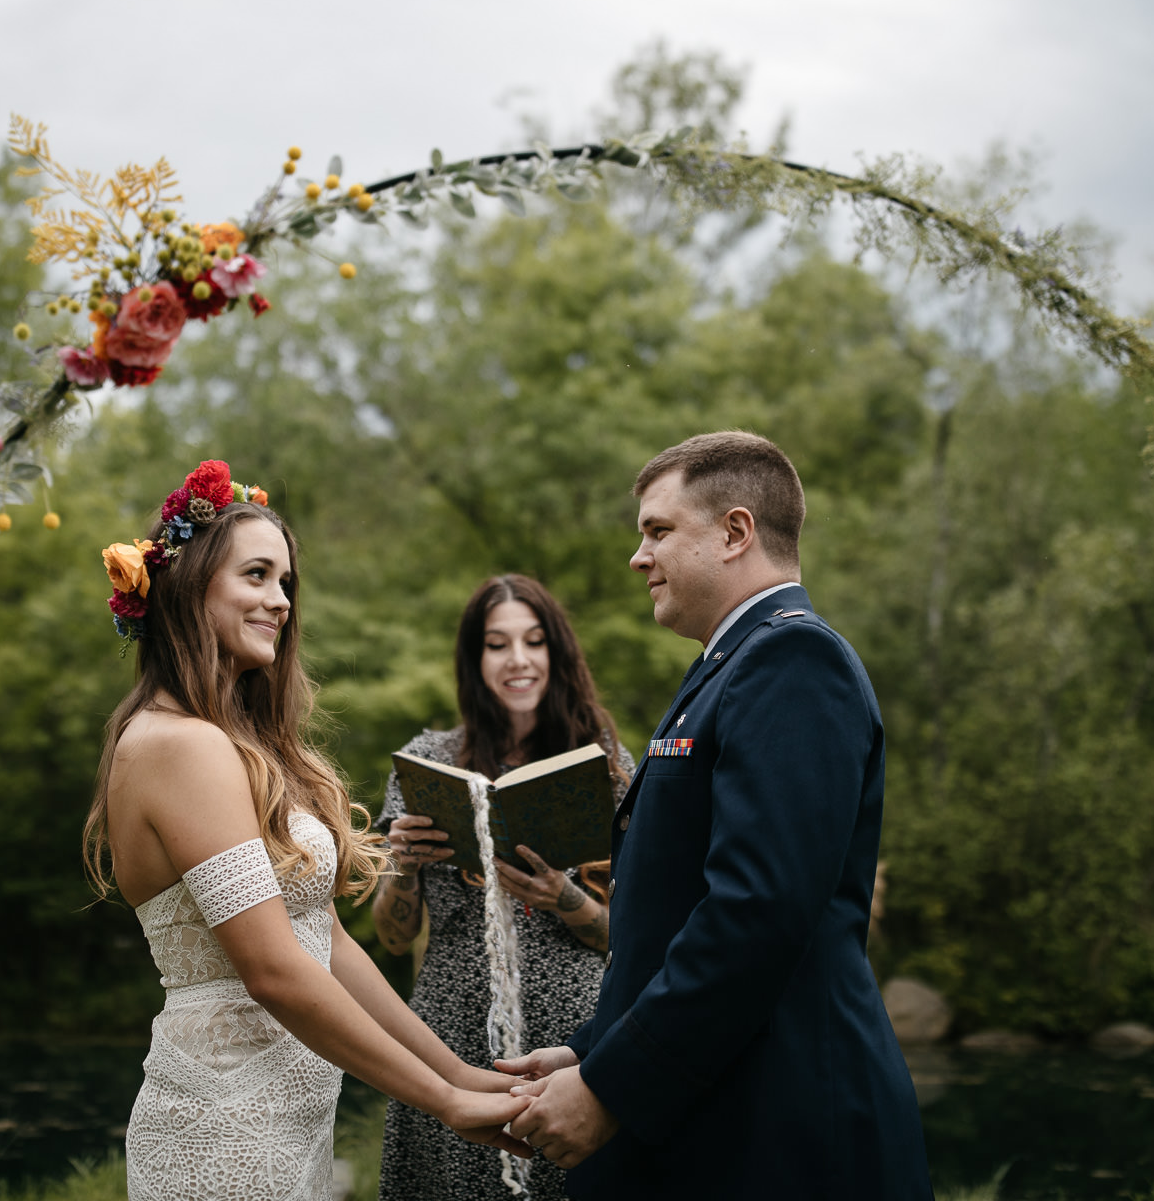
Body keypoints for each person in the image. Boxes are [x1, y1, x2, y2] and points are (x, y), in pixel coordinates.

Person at [82, 460, 530, 1201]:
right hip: (222, 1130)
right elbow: (273, 972)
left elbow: (324, 943)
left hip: (291, 1125)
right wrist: (443, 1104)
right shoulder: (177, 745)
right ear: (190, 586)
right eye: (256, 575)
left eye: (286, 582)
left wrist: (460, 1072)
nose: (280, 600)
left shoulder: (232, 742)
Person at [501, 432, 933, 1199]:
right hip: (721, 1118)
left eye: (658, 531)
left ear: (736, 533)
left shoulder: (796, 663)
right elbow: (672, 919)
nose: (638, 557)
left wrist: (614, 1087)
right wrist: (590, 1053)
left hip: (779, 1135)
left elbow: (755, 915)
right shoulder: (728, 667)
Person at [371, 575, 635, 1201]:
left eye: (534, 641)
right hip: (448, 1035)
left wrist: (564, 899)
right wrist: (403, 865)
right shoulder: (427, 760)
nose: (518, 659)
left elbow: (637, 939)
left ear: (556, 654)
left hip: (574, 1040)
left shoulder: (607, 766)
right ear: (475, 659)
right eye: (497, 644)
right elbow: (389, 934)